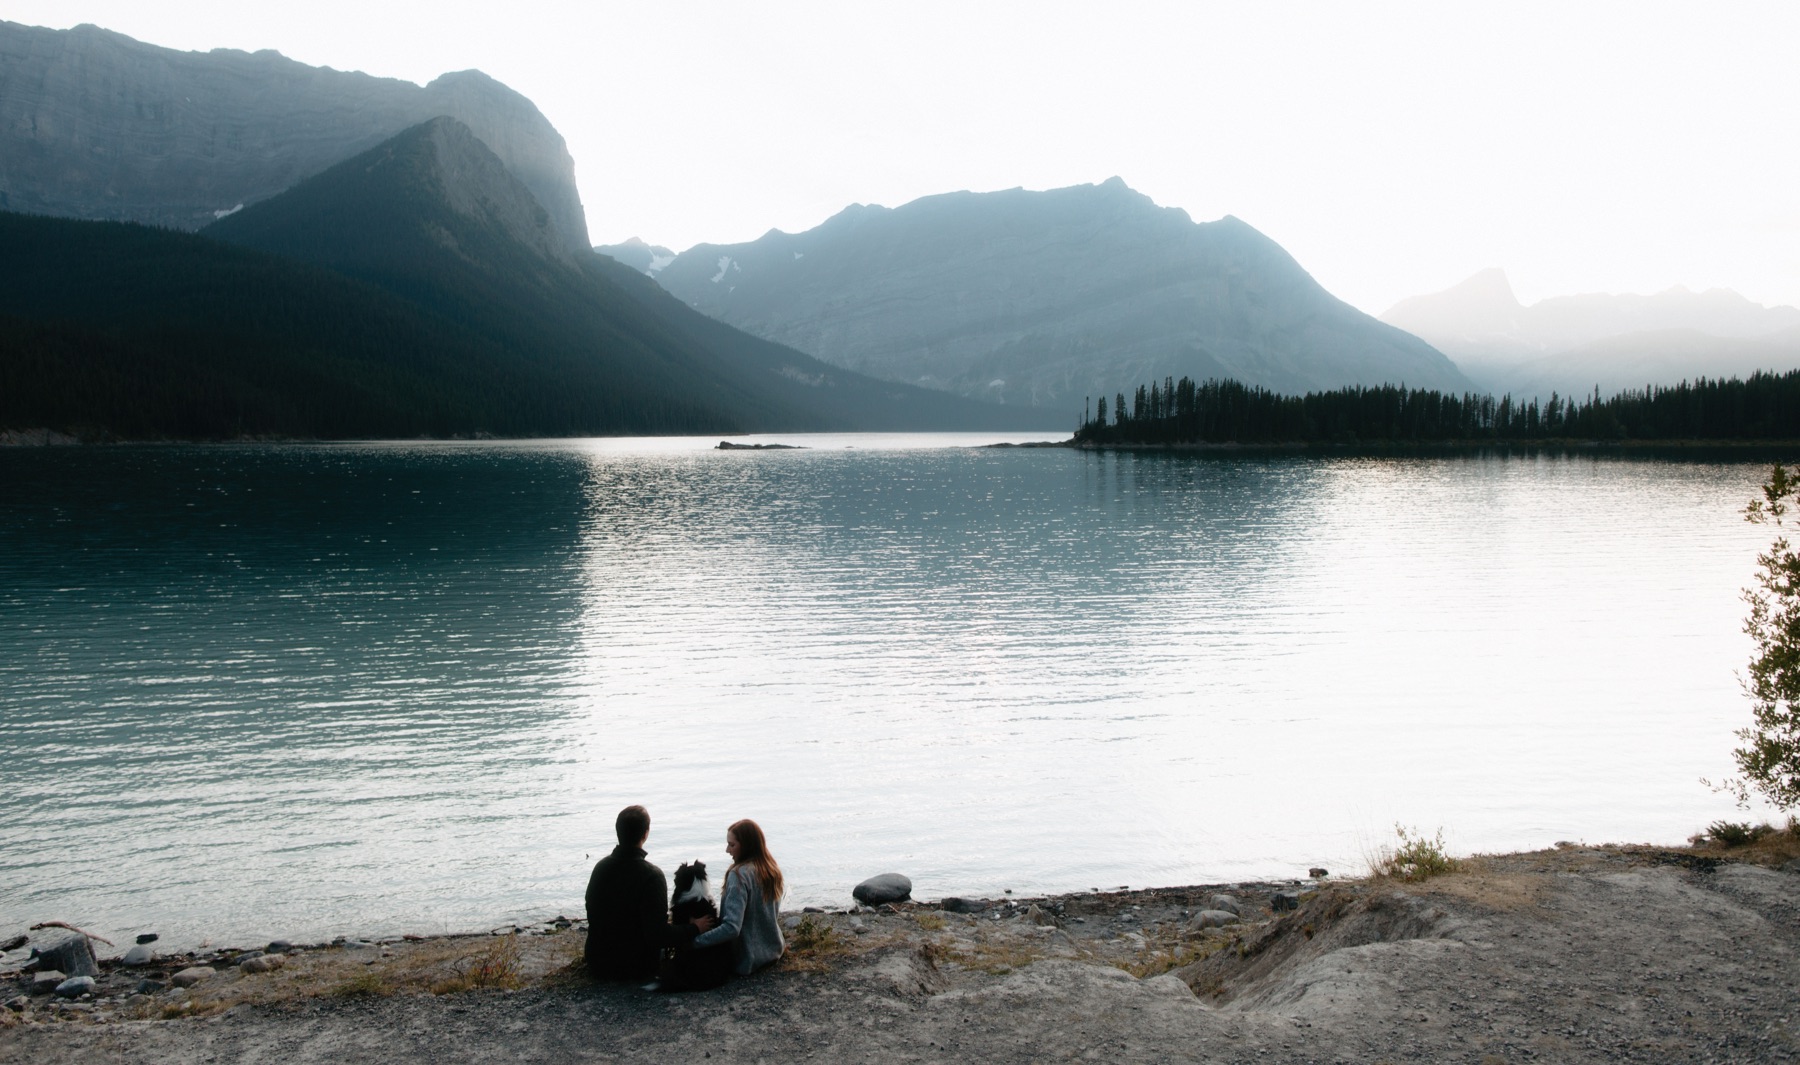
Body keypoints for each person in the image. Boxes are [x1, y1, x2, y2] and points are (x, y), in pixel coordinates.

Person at [583, 805, 700, 980]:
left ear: (618, 831)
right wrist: (694, 928)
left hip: (598, 962)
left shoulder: (600, 867)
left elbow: (592, 911)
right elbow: (658, 935)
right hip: (636, 966)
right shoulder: (652, 875)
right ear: (646, 833)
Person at [686, 818, 786, 976]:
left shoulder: (739, 876)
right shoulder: (771, 870)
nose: (727, 850)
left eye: (732, 845)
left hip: (746, 960)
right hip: (773, 950)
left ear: (746, 846)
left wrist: (695, 942)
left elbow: (731, 928)